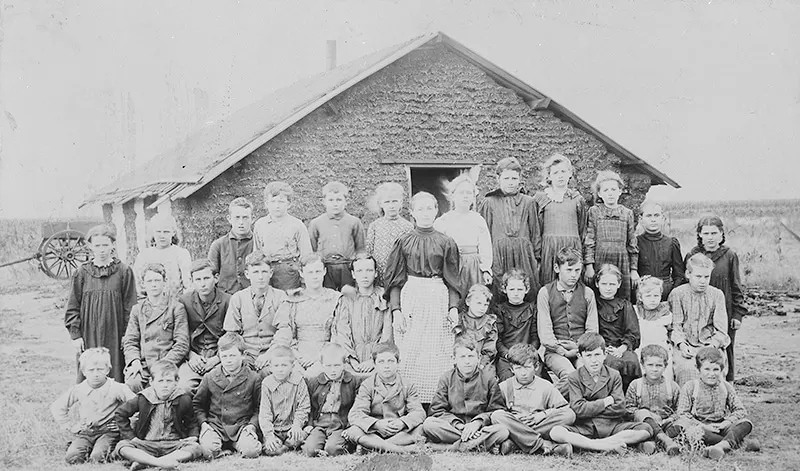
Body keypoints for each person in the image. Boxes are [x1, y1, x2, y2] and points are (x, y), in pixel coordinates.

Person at [383, 191, 463, 403]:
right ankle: (410, 402)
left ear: (437, 211)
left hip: (438, 298)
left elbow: (452, 279)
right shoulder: (403, 241)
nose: (425, 213)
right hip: (411, 298)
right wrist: (397, 311)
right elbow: (395, 280)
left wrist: (453, 307)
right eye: (420, 208)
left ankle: (437, 403)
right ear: (412, 212)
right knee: (410, 350)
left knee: (438, 350)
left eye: (430, 208)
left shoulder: (446, 242)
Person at [549, 332, 653, 454]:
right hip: (585, 427)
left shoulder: (614, 375)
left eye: (597, 354)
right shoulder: (574, 377)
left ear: (604, 355)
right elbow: (578, 409)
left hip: (612, 426)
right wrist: (606, 401)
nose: (594, 360)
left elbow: (619, 407)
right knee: (556, 432)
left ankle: (596, 443)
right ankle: (602, 445)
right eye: (588, 356)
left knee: (645, 429)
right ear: (580, 356)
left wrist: (589, 407)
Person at [65, 224, 137, 383]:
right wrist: (75, 335)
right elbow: (72, 306)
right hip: (89, 332)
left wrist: (127, 334)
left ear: (112, 244)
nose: (102, 249)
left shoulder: (124, 271)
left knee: (115, 371)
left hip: (116, 332)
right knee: (90, 371)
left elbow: (130, 306)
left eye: (105, 244)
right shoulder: (81, 273)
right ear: (90, 246)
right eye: (97, 245)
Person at [686, 215, 748, 382]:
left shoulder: (729, 256)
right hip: (697, 310)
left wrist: (737, 314)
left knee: (724, 348)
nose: (710, 238)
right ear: (699, 234)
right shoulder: (693, 255)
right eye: (706, 233)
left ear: (721, 234)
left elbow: (736, 285)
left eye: (714, 233)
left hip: (723, 311)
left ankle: (727, 385)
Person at [50, 348, 136, 464]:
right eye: (91, 370)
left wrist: (125, 425)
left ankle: (116, 449)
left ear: (107, 370)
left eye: (100, 369)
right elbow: (57, 407)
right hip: (86, 432)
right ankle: (79, 447)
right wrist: (70, 426)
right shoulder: (79, 389)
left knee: (98, 458)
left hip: (108, 432)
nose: (95, 374)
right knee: (72, 458)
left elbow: (137, 405)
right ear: (84, 372)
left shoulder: (117, 388)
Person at [422, 338, 509, 452]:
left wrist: (477, 423)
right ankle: (477, 444)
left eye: (471, 356)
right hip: (455, 428)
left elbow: (497, 410)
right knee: (429, 424)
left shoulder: (489, 379)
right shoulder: (446, 378)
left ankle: (453, 447)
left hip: (480, 428)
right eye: (462, 357)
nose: (467, 361)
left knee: (502, 430)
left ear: (478, 358)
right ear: (454, 359)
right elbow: (437, 411)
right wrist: (459, 425)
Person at [489, 344, 576, 456]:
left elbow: (563, 408)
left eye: (527, 367)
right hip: (516, 423)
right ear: (512, 369)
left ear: (536, 367)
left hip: (539, 424)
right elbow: (497, 411)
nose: (523, 373)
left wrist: (542, 415)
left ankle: (517, 442)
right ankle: (546, 445)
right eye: (518, 368)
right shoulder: (504, 387)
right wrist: (515, 420)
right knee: (497, 416)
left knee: (569, 414)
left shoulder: (545, 386)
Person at [114, 361, 202, 470]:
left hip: (173, 444)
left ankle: (146, 461)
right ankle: (162, 463)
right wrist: (131, 437)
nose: (165, 385)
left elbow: (191, 421)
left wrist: (193, 436)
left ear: (176, 381)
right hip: (146, 443)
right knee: (122, 446)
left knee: (195, 448)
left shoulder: (183, 398)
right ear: (151, 382)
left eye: (169, 381)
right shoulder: (143, 398)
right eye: (160, 381)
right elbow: (120, 413)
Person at [672, 347, 756, 459]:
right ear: (698, 369)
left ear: (721, 370)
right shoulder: (690, 387)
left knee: (746, 423)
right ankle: (734, 443)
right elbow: (682, 413)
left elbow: (740, 410)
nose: (711, 374)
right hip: (700, 426)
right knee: (688, 429)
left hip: (721, 426)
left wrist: (725, 423)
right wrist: (704, 427)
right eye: (707, 369)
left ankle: (721, 445)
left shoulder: (726, 386)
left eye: (716, 369)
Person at [343, 342, 426, 453]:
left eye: (390, 361)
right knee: (353, 431)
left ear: (398, 363)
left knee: (420, 428)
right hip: (374, 432)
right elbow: (355, 414)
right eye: (381, 362)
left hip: (398, 432)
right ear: (374, 364)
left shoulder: (407, 385)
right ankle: (400, 450)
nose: (386, 366)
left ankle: (373, 448)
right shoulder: (367, 385)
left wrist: (402, 422)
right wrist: (376, 424)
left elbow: (419, 412)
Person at [477, 157, 541, 298]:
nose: (511, 182)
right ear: (498, 178)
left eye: (514, 178)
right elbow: (483, 236)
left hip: (524, 255)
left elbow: (535, 233)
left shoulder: (529, 202)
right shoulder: (489, 202)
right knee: (500, 292)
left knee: (526, 291)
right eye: (506, 178)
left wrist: (537, 259)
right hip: (499, 256)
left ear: (520, 179)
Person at [192, 332, 262, 459]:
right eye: (224, 356)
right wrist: (204, 424)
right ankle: (221, 448)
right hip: (217, 425)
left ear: (242, 355)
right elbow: (197, 405)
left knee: (251, 451)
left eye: (233, 356)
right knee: (208, 451)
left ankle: (238, 444)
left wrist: (252, 426)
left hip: (242, 426)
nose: (228, 360)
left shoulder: (253, 378)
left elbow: (259, 408)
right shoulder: (210, 377)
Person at [537, 248, 599, 391]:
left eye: (577, 270)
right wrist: (562, 351)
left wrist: (578, 348)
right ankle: (548, 403)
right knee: (570, 375)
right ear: (557, 268)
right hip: (555, 351)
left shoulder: (587, 293)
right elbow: (545, 333)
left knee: (588, 373)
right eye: (569, 270)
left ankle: (578, 408)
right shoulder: (545, 292)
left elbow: (592, 331)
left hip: (581, 350)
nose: (574, 275)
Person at [122, 263, 189, 393]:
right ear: (143, 284)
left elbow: (182, 343)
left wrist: (164, 364)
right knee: (133, 382)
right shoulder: (137, 310)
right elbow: (130, 341)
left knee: (180, 387)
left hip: (168, 363)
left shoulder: (176, 307)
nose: (153, 284)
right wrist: (134, 361)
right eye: (149, 281)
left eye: (157, 280)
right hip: (144, 364)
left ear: (165, 282)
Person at [273, 253, 341, 377]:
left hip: (326, 354)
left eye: (318, 271)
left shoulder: (335, 299)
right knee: (291, 373)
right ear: (302, 273)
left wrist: (320, 357)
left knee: (317, 374)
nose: (314, 276)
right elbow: (285, 331)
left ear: (324, 271)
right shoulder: (292, 299)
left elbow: (338, 334)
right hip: (297, 353)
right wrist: (296, 355)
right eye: (310, 272)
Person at [668, 253, 730, 386]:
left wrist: (712, 346)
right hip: (685, 345)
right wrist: (682, 345)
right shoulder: (677, 294)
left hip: (709, 344)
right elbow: (675, 326)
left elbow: (721, 330)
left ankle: (712, 403)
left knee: (711, 368)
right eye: (698, 276)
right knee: (686, 369)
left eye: (706, 277)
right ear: (688, 274)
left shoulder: (717, 295)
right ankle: (686, 404)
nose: (703, 281)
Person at [223, 252, 288, 376]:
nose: (260, 277)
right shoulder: (238, 298)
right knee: (240, 375)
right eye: (255, 272)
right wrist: (241, 356)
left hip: (273, 353)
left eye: (264, 272)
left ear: (271, 273)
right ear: (247, 274)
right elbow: (231, 334)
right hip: (246, 354)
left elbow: (284, 331)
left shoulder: (280, 297)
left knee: (272, 373)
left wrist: (269, 354)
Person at [177, 259, 231, 395]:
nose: (202, 284)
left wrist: (217, 358)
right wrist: (191, 356)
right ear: (192, 281)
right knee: (184, 386)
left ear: (216, 278)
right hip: (194, 357)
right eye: (198, 279)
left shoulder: (228, 301)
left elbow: (232, 336)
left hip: (220, 357)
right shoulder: (184, 301)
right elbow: (180, 334)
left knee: (224, 387)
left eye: (206, 278)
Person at [333, 253, 392, 376]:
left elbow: (387, 333)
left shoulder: (383, 297)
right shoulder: (346, 299)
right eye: (359, 271)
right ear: (353, 274)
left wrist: (374, 360)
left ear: (376, 273)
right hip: (351, 359)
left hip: (379, 359)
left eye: (369, 270)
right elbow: (342, 332)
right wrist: (352, 360)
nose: (364, 275)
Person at [583, 170, 639, 300]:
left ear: (620, 191)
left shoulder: (627, 213)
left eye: (613, 189)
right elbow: (590, 240)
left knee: (621, 297)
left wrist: (633, 269)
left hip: (622, 260)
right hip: (600, 259)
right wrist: (589, 265)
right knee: (599, 296)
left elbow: (632, 243)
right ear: (600, 194)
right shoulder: (594, 212)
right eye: (606, 190)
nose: (610, 193)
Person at [533, 154, 587, 285]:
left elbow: (582, 228)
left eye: (563, 171)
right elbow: (536, 229)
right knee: (549, 284)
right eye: (555, 172)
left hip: (572, 246)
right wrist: (538, 256)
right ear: (549, 176)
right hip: (549, 249)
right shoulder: (541, 198)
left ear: (570, 173)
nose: (560, 175)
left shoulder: (577, 199)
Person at [434, 174, 493, 290]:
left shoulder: (478, 220)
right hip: (452, 266)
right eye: (461, 192)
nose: (465, 196)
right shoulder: (443, 221)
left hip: (474, 267)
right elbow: (437, 249)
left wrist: (486, 269)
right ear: (453, 195)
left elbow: (485, 247)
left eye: (469, 193)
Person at [303, 343, 363, 457]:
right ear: (322, 365)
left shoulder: (352, 381)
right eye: (328, 366)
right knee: (309, 450)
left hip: (340, 424)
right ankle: (320, 445)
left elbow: (356, 406)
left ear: (344, 364)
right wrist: (310, 424)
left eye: (337, 365)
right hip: (320, 423)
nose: (333, 370)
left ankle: (340, 445)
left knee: (333, 449)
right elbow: (310, 405)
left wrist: (350, 426)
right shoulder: (315, 382)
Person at [253, 181, 313, 291]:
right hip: (267, 272)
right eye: (273, 201)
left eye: (281, 202)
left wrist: (304, 280)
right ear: (266, 203)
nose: (277, 206)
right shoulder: (260, 225)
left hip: (289, 273)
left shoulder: (297, 225)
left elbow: (306, 255)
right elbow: (257, 253)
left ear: (289, 204)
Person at [308, 181, 367, 291]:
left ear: (346, 202)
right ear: (324, 202)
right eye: (331, 200)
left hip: (347, 268)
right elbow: (312, 249)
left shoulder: (354, 222)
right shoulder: (316, 223)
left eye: (339, 200)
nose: (335, 203)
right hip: (326, 268)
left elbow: (361, 249)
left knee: (348, 297)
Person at [625, 344, 681, 456]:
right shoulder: (636, 385)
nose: (654, 369)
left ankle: (654, 443)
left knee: (682, 424)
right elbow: (628, 409)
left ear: (665, 366)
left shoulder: (672, 386)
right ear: (643, 365)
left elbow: (679, 410)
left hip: (666, 424)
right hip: (644, 424)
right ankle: (665, 441)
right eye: (650, 365)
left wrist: (669, 419)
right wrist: (648, 415)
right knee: (642, 413)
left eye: (658, 365)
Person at [595, 264, 642, 392]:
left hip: (622, 347)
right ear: (597, 283)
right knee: (612, 363)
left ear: (619, 284)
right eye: (604, 284)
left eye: (612, 284)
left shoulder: (625, 305)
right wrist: (604, 347)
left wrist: (622, 348)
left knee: (631, 361)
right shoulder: (593, 304)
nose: (608, 288)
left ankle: (630, 398)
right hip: (601, 347)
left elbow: (633, 332)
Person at [259, 346, 311, 456]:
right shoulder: (267, 384)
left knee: (295, 441)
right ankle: (282, 445)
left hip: (292, 427)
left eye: (284, 365)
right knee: (272, 449)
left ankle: (302, 434)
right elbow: (265, 413)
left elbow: (303, 407)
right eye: (276, 365)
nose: (280, 369)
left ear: (292, 366)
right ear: (270, 367)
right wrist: (269, 436)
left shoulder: (298, 381)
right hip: (275, 429)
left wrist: (297, 425)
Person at [133, 213, 193, 298]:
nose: (162, 236)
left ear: (173, 233)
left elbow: (188, 284)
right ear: (153, 232)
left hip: (176, 303)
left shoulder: (181, 254)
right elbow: (137, 284)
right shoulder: (143, 256)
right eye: (158, 231)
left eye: (166, 232)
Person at [494, 270, 539, 382]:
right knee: (507, 379)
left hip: (528, 355)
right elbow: (498, 340)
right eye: (511, 289)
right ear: (504, 289)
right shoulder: (500, 310)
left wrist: (529, 353)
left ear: (526, 290)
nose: (516, 293)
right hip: (507, 357)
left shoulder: (532, 309)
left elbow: (535, 337)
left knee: (537, 378)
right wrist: (508, 355)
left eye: (520, 289)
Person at [636, 202, 685, 300]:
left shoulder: (671, 243)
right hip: (643, 293)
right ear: (641, 219)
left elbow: (679, 275)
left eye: (657, 215)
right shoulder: (635, 243)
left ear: (663, 219)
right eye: (649, 216)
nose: (653, 220)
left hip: (666, 293)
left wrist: (673, 294)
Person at [365, 182, 414, 278]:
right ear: (381, 204)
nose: (391, 205)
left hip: (399, 274)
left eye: (395, 201)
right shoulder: (375, 226)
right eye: (387, 202)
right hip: (379, 274)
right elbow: (369, 252)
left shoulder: (408, 227)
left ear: (401, 202)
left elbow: (410, 254)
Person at [207, 197, 255, 294]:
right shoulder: (218, 245)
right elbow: (210, 275)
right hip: (226, 299)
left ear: (252, 219)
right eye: (237, 217)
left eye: (245, 217)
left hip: (251, 298)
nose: (241, 222)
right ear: (229, 219)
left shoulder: (258, 243)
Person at [634, 276, 674, 381]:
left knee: (666, 368)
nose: (653, 299)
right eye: (648, 296)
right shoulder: (636, 311)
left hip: (660, 346)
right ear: (640, 297)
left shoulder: (665, 312)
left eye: (656, 296)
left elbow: (670, 331)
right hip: (642, 346)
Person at [454, 284, 498, 379]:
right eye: (478, 303)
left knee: (487, 377)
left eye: (485, 305)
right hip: (461, 361)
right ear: (468, 302)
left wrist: (480, 364)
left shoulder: (489, 322)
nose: (482, 308)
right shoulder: (460, 320)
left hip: (482, 363)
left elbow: (489, 349)